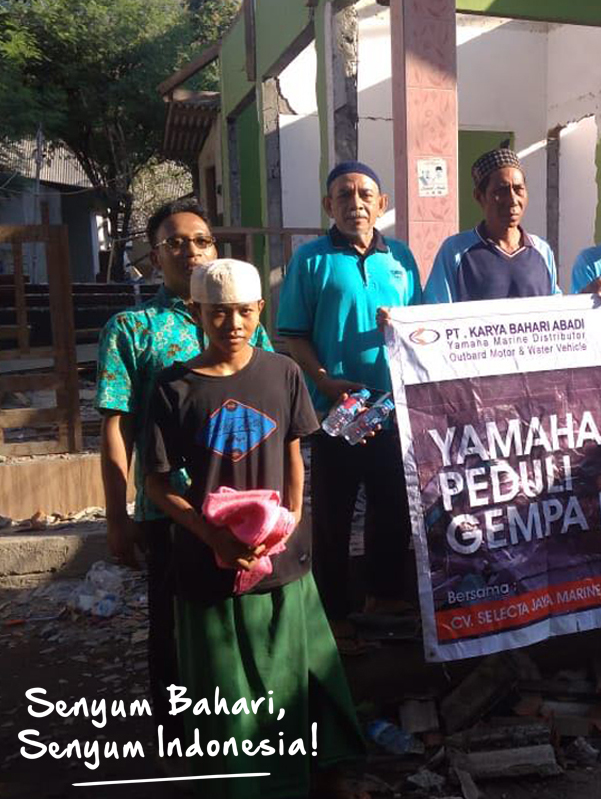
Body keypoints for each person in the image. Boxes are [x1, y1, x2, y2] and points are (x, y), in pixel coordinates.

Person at [145, 259, 365, 799]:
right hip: (208, 563)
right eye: (218, 313)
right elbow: (156, 484)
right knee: (227, 689)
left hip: (280, 557)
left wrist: (289, 519)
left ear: (260, 310)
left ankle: (321, 774)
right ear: (197, 312)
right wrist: (210, 535)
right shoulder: (173, 388)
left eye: (244, 311)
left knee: (297, 674)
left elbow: (294, 453)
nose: (233, 324)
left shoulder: (283, 373)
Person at [95, 199, 272, 747]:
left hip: (246, 506)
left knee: (245, 621)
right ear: (155, 256)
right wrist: (116, 517)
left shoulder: (241, 318)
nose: (191, 250)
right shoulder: (134, 329)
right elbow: (116, 427)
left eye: (201, 240)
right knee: (173, 629)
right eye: (175, 242)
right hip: (171, 508)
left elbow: (270, 397)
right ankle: (178, 740)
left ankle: (246, 731)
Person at [277, 161, 421, 632]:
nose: (355, 203)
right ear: (328, 204)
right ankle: (333, 614)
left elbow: (421, 326)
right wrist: (323, 380)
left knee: (392, 508)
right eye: (344, 195)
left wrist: (403, 326)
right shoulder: (311, 260)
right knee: (333, 516)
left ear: (382, 204)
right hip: (336, 411)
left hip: (391, 410)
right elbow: (294, 334)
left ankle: (385, 598)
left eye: (365, 195)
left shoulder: (401, 258)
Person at [424, 148, 562, 302]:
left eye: (519, 189)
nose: (512, 200)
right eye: (501, 191)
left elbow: (556, 308)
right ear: (479, 197)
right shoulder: (455, 251)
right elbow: (436, 310)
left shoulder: (542, 250)